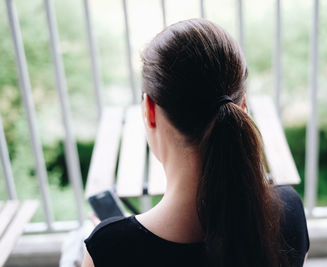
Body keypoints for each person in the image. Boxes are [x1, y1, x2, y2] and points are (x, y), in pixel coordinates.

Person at [82, 18, 309, 267]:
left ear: (149, 109)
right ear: (243, 105)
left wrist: (126, 235)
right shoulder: (289, 214)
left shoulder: (109, 249)